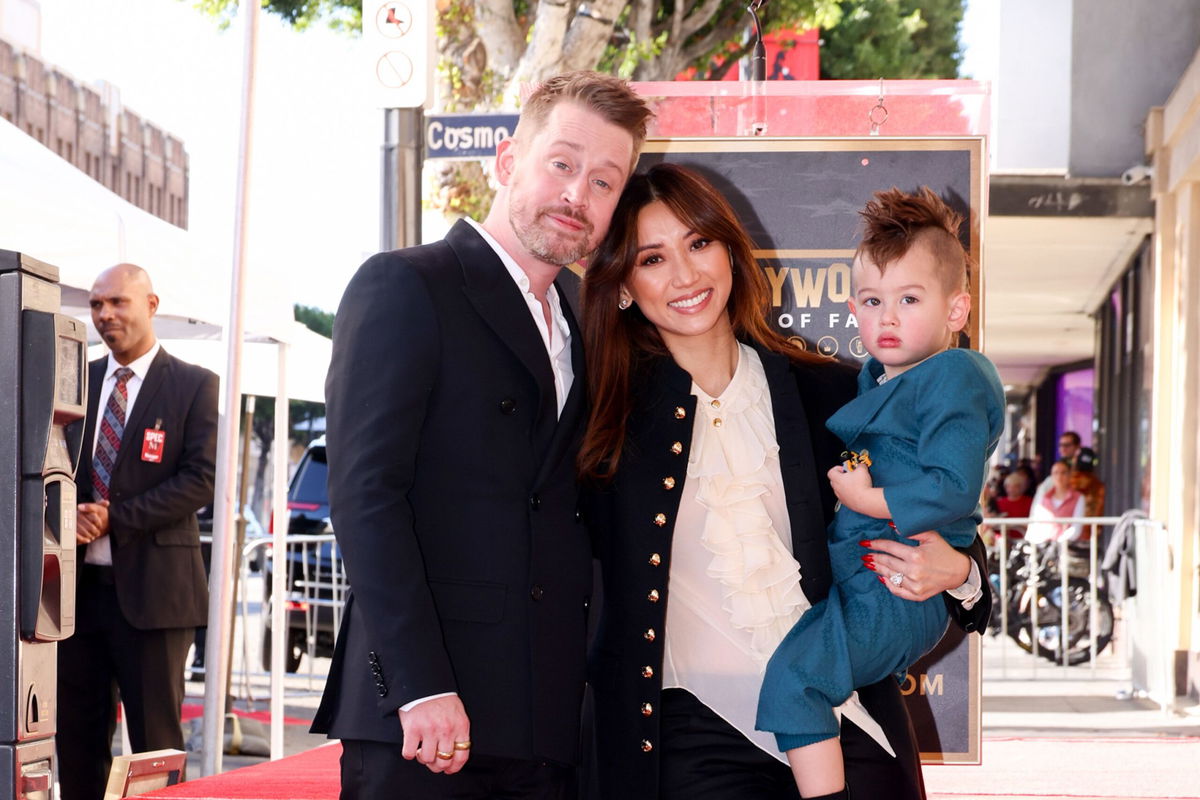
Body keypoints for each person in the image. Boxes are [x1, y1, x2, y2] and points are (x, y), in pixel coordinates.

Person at [578, 165, 991, 800]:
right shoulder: (603, 418)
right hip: (694, 737)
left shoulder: (830, 393)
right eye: (653, 258)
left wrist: (960, 574)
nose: (685, 276)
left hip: (848, 719)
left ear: (732, 254)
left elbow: (944, 510)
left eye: (699, 244)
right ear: (626, 286)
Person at [310, 71, 653, 799]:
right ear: (507, 162)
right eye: (562, 164)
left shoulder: (587, 321)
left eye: (603, 181)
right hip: (424, 721)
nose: (576, 195)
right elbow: (365, 495)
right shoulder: (406, 284)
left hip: (548, 723)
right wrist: (416, 684)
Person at [755, 186, 1005, 799]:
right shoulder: (870, 378)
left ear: (956, 310)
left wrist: (869, 504)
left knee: (795, 681)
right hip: (859, 577)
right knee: (796, 679)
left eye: (909, 299)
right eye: (872, 301)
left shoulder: (955, 375)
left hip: (895, 585)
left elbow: (951, 489)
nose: (887, 317)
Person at [58, 263, 218, 800]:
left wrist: (113, 517)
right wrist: (70, 510)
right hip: (76, 600)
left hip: (155, 599)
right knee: (78, 742)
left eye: (118, 303)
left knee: (154, 748)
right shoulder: (77, 379)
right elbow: (50, 463)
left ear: (151, 305)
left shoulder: (195, 385)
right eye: (97, 305)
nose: (105, 315)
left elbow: (202, 481)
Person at [1025, 459, 1087, 544]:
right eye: (1056, 473)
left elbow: (1076, 527)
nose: (1059, 477)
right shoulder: (1044, 497)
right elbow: (1035, 522)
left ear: (1069, 475)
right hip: (1043, 547)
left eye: (1063, 473)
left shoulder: (1079, 498)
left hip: (1066, 547)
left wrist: (1059, 542)